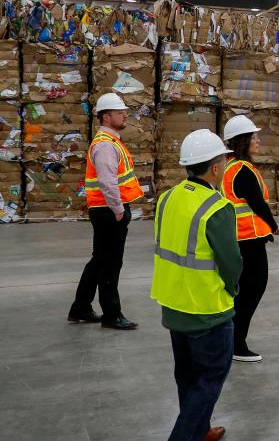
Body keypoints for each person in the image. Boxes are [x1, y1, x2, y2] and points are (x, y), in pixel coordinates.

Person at [151, 129, 241, 441]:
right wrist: (232, 290)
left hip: (173, 304)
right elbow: (232, 263)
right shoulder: (217, 207)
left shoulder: (167, 198)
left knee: (187, 376)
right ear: (215, 168)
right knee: (210, 379)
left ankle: (201, 430)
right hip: (206, 309)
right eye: (224, 160)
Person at [68, 93, 144, 330]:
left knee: (100, 260)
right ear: (106, 116)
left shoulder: (111, 142)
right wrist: (119, 210)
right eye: (119, 112)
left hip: (106, 210)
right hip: (109, 211)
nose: (125, 115)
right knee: (111, 264)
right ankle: (112, 315)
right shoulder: (104, 145)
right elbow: (107, 182)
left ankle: (80, 307)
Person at [221, 114, 279, 364]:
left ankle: (232, 339)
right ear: (242, 141)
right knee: (251, 291)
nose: (258, 140)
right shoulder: (243, 170)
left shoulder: (227, 166)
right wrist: (273, 225)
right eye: (253, 137)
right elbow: (257, 203)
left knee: (241, 292)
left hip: (238, 238)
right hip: (249, 240)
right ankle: (237, 344)